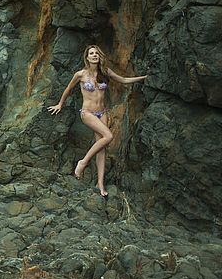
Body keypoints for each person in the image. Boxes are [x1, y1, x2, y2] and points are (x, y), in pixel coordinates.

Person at [47, 45, 147, 198]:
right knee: (109, 137)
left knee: (102, 149)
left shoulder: (105, 72)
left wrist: (145, 78)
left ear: (99, 57)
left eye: (96, 53)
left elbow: (124, 80)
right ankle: (83, 162)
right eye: (91, 53)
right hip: (87, 113)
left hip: (103, 113)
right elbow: (68, 88)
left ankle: (100, 184)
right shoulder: (80, 74)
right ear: (87, 57)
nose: (94, 55)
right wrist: (60, 104)